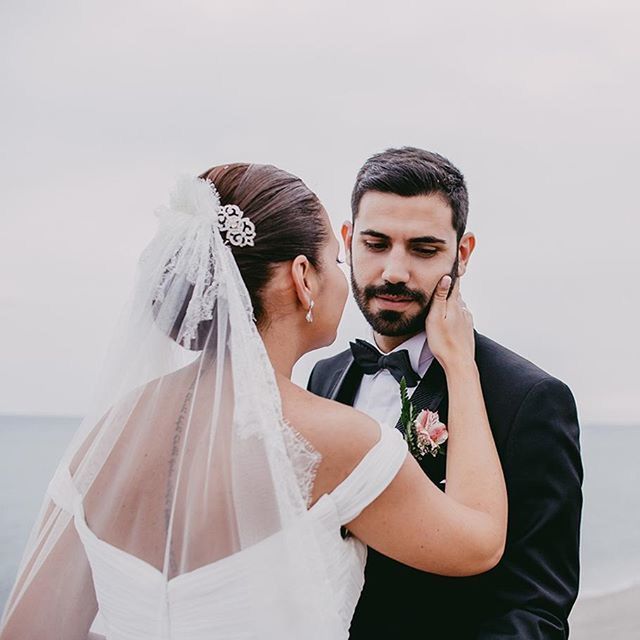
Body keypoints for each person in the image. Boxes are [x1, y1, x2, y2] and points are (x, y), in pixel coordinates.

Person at [0, 163, 506, 640]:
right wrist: (461, 366)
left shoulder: (109, 435)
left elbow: (28, 629)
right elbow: (480, 542)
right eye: (335, 258)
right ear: (303, 277)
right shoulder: (337, 438)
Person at [308, 147, 584, 639]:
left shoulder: (531, 399)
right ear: (348, 241)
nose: (394, 271)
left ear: (463, 253)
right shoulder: (325, 378)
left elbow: (536, 611)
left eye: (424, 249)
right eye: (376, 243)